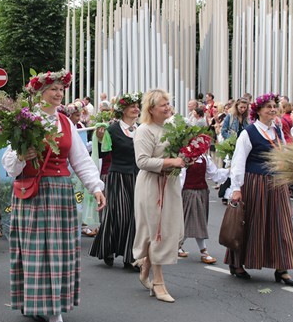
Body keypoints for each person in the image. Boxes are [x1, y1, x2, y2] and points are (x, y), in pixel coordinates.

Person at [2, 70, 105, 322]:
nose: (58, 93)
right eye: (53, 88)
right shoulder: (25, 121)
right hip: (32, 192)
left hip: (60, 192)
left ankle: (55, 312)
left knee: (59, 252)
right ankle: (38, 303)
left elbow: (81, 160)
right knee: (36, 251)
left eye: (61, 89)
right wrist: (24, 156)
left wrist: (95, 188)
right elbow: (10, 165)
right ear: (39, 92)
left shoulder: (66, 123)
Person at [227, 93, 293, 284]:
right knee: (250, 224)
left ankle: (282, 268)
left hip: (276, 183)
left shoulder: (278, 131)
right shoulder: (248, 133)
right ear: (258, 111)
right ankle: (237, 263)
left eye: (274, 106)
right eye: (268, 106)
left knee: (281, 224)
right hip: (255, 183)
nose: (273, 109)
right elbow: (238, 161)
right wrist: (236, 187)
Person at [132, 89, 186, 303]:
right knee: (157, 232)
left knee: (171, 229)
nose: (168, 107)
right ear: (151, 109)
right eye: (163, 105)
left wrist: (185, 158)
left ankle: (146, 266)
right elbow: (142, 161)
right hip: (151, 186)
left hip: (170, 184)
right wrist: (170, 162)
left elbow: (179, 156)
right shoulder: (144, 130)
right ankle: (158, 282)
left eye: (168, 103)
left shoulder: (172, 127)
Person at [90, 92, 141, 269]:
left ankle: (131, 257)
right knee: (119, 213)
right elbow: (104, 153)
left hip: (137, 176)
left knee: (135, 216)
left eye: (137, 106)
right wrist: (98, 138)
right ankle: (107, 249)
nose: (136, 109)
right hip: (118, 175)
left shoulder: (141, 129)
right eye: (132, 106)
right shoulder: (112, 129)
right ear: (123, 110)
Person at [178, 153, 228, 263]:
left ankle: (178, 245)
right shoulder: (184, 157)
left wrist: (229, 170)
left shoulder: (205, 158)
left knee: (191, 222)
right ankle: (204, 252)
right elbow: (180, 178)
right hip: (189, 192)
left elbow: (214, 174)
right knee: (196, 222)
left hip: (202, 192)